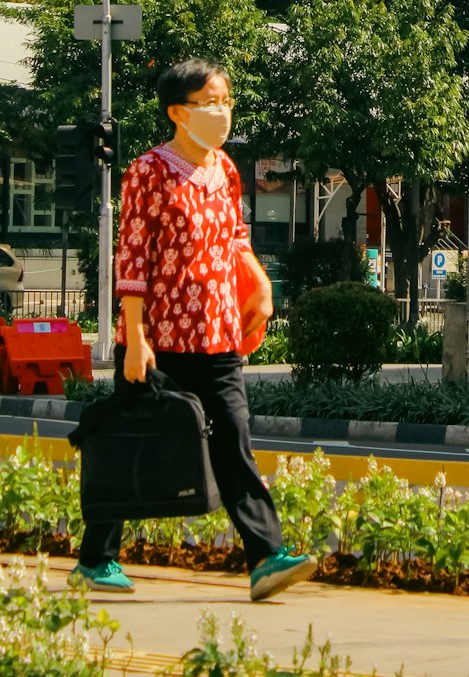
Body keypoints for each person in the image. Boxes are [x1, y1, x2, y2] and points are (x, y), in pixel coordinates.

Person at [72, 58, 317, 602]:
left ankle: (265, 557)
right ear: (178, 112)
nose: (222, 112)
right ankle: (95, 559)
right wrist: (134, 340)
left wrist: (259, 281)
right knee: (135, 443)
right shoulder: (148, 171)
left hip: (216, 333)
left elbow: (235, 237)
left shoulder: (225, 169)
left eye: (226, 100)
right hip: (157, 340)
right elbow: (131, 259)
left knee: (233, 439)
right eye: (210, 102)